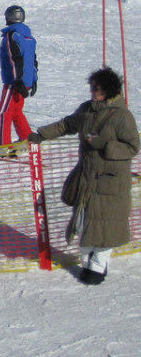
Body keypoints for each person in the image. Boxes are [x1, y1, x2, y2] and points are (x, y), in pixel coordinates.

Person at [28, 68, 139, 285]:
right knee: (84, 223)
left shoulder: (122, 116)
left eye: (96, 88)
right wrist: (42, 134)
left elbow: (132, 147)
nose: (92, 91)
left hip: (111, 181)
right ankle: (88, 262)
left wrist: (104, 145)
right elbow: (67, 124)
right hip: (87, 177)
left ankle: (98, 265)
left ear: (108, 90)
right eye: (91, 87)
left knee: (106, 227)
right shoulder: (87, 110)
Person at [0, 5, 37, 144]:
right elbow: (33, 60)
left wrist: (17, 80)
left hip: (13, 82)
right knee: (16, 112)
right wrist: (33, 80)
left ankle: (3, 145)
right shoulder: (29, 37)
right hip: (25, 82)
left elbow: (14, 59)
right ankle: (27, 139)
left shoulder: (11, 35)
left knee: (4, 113)